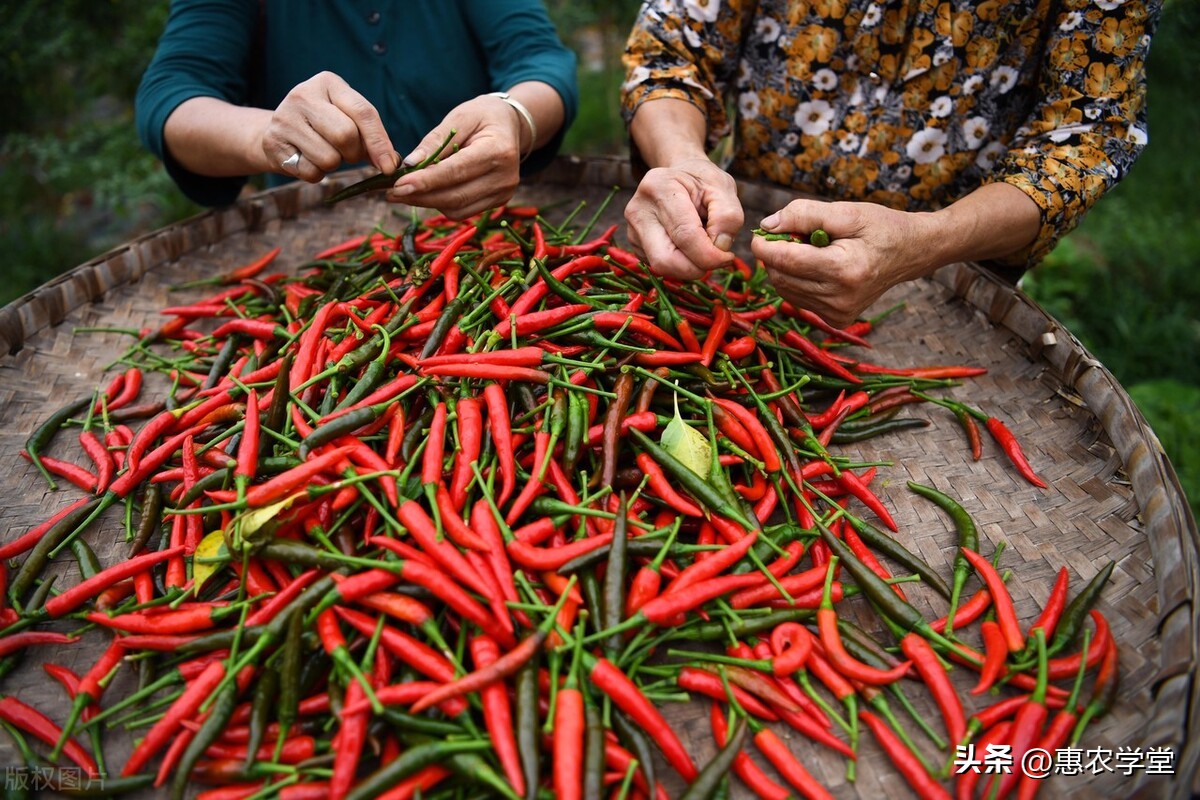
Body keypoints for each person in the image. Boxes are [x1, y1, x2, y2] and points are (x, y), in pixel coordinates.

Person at [620, 0, 1160, 328]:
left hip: (949, 268)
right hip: (742, 246)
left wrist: (927, 240)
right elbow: (670, 50)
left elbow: (1086, 136)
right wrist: (684, 160)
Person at [136, 0, 578, 218]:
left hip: (483, 225)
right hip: (325, 246)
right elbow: (171, 97)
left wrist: (513, 113)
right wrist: (266, 134)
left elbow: (540, 59)